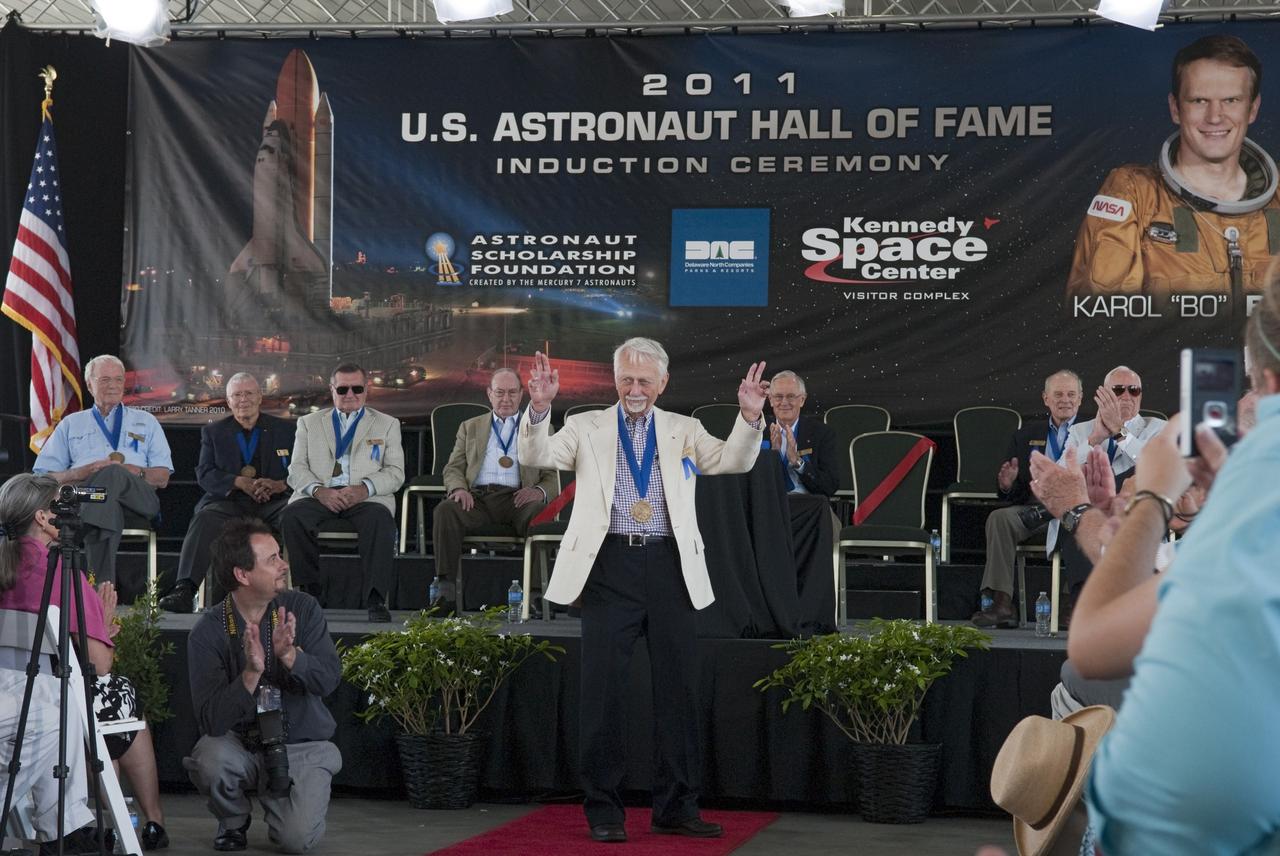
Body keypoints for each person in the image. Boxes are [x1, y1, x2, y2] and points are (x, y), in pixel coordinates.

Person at [518, 338, 767, 843]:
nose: (635, 389)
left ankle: (677, 806)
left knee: (678, 690)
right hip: (609, 565)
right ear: (614, 380)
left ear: (663, 383)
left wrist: (749, 417)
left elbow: (734, 462)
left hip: (672, 565)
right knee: (604, 692)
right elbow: (535, 452)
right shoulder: (585, 425)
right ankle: (604, 810)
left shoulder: (684, 428)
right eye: (627, 379)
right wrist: (540, 406)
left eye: (645, 381)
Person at [0, 474, 168, 853]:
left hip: (11, 703)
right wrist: (104, 627)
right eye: (65, 504)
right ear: (44, 518)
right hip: (47, 704)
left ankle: (68, 822)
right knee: (116, 692)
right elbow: (101, 663)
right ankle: (86, 824)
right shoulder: (61, 572)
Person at [1067, 35, 1280, 313]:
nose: (1215, 117)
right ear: (1175, 108)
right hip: (1166, 358)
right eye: (1199, 100)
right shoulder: (1134, 194)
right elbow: (1101, 318)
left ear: (1252, 108)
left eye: (1231, 100)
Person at [183, 518, 342, 854]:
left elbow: (328, 679)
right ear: (242, 575)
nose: (284, 564)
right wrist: (251, 673)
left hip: (301, 742)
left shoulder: (302, 609)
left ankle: (283, 803)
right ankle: (233, 819)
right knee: (210, 757)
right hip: (240, 743)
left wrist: (290, 657)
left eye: (280, 555)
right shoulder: (208, 632)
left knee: (296, 841)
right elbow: (212, 722)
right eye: (272, 560)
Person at [160, 373, 295, 613]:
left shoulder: (286, 429)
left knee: (297, 515)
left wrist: (279, 485)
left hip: (273, 502)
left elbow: (301, 469)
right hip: (230, 501)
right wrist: (238, 482)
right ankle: (185, 589)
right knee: (204, 518)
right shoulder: (214, 433)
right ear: (228, 401)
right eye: (237, 395)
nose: (243, 399)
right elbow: (205, 473)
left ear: (260, 397)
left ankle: (302, 592)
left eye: (249, 393)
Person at [279, 364, 404, 622]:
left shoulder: (387, 424)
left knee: (381, 521)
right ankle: (308, 593)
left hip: (365, 496)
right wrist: (318, 491)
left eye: (357, 388)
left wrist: (364, 488)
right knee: (292, 516)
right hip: (321, 494)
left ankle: (375, 599)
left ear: (366, 389)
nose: (350, 394)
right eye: (343, 389)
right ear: (332, 390)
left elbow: (395, 472)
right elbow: (296, 468)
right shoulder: (309, 423)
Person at [32, 354, 173, 583]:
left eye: (118, 380)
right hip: (87, 495)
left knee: (113, 472)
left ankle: (76, 533)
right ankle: (103, 589)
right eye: (105, 379)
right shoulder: (71, 423)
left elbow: (163, 477)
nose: (113, 386)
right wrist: (79, 473)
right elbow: (42, 478)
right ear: (90, 384)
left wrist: (130, 470)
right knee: (105, 506)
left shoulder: (146, 422)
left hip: (138, 499)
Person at [431, 368, 558, 614]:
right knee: (446, 509)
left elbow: (553, 477)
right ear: (489, 394)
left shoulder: (540, 428)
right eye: (500, 393)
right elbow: (453, 467)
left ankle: (535, 595)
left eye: (512, 393)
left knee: (540, 514)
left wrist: (540, 491)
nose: (506, 399)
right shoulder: (470, 427)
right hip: (476, 499)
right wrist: (459, 488)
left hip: (518, 500)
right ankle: (445, 591)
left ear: (522, 394)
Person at [971, 370, 1082, 628]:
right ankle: (1001, 603)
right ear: (1045, 398)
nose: (1064, 400)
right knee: (1000, 518)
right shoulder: (1025, 435)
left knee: (1088, 523)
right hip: (1035, 513)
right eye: (1058, 394)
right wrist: (1007, 485)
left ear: (1080, 399)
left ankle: (1071, 604)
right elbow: (1016, 492)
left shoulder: (1093, 431)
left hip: (1073, 512)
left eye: (1070, 394)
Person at [765, 371, 838, 498]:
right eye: (778, 396)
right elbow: (746, 482)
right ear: (770, 400)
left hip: (807, 506)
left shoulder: (821, 434)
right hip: (767, 505)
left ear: (802, 400)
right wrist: (772, 456)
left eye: (791, 396)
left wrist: (797, 462)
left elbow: (830, 486)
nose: (784, 402)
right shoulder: (758, 432)